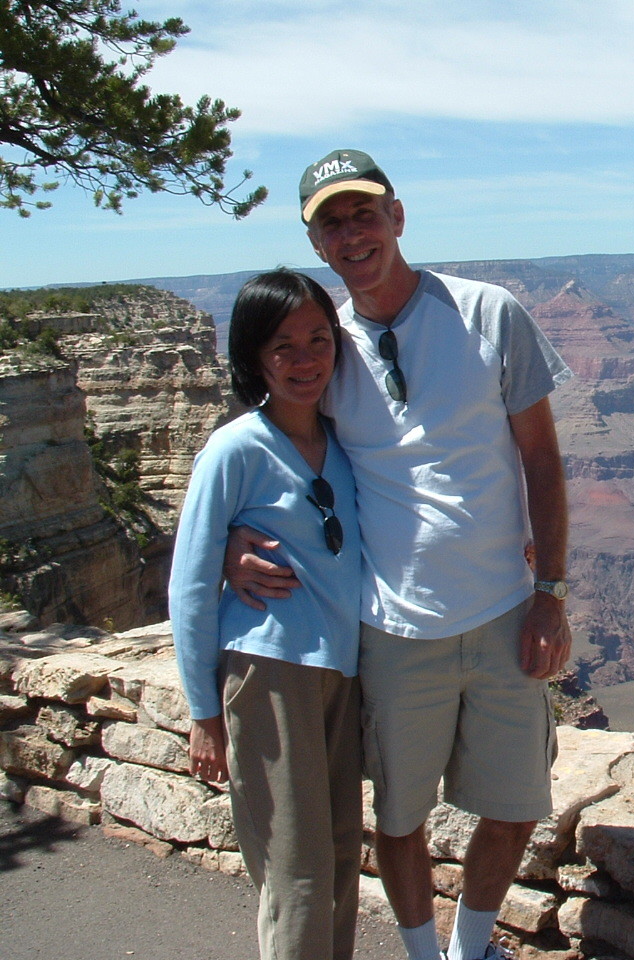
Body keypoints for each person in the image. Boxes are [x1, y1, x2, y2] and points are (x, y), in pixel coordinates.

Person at [225, 149, 573, 960]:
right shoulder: (324, 344)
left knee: (516, 805)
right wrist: (231, 540)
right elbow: (263, 446)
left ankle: (470, 948)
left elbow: (542, 458)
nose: (352, 235)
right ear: (315, 242)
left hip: (504, 612)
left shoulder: (488, 313)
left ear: (397, 217)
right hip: (390, 629)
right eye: (332, 223)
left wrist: (551, 593)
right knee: (398, 819)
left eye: (364, 214)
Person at [169, 269, 363, 960]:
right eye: (283, 346)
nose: (305, 359)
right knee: (296, 871)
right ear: (254, 356)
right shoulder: (234, 449)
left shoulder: (345, 441)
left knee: (342, 858)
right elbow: (190, 584)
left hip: (341, 674)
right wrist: (203, 711)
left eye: (319, 339)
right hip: (270, 671)